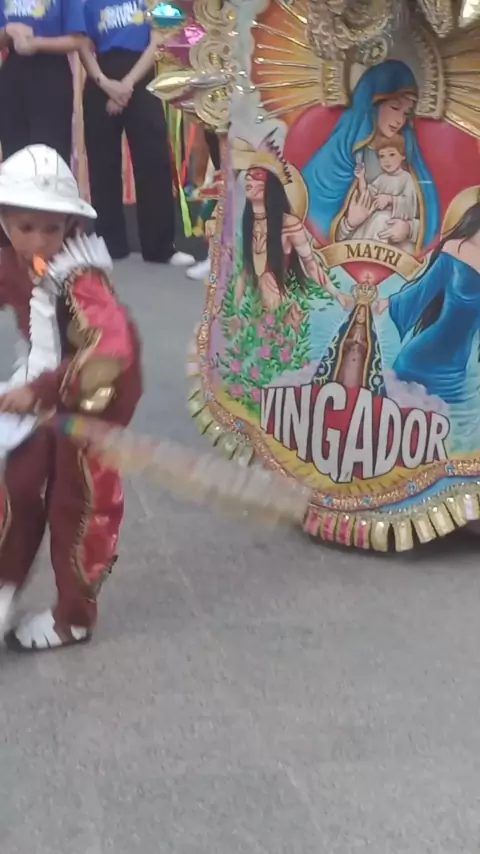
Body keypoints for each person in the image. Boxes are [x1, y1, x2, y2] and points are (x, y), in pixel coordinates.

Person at [0, 144, 142, 652]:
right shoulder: (13, 260)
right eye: (25, 227)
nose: (38, 240)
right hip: (44, 396)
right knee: (18, 486)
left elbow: (112, 352)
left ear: (69, 226)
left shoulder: (82, 279)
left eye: (51, 228)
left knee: (78, 507)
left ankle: (73, 618)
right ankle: (3, 587)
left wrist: (37, 392)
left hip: (94, 404)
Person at [80, 0, 194, 266]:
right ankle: (110, 244)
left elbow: (156, 42)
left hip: (141, 75)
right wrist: (106, 85)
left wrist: (127, 85)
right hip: (101, 76)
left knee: (153, 161)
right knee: (103, 165)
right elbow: (83, 46)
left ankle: (160, 248)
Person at [301, 60, 439, 251]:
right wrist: (349, 223)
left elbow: (426, 216)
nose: (400, 120)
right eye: (394, 107)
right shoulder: (335, 160)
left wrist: (409, 229)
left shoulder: (408, 157)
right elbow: (311, 222)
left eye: (407, 113)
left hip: (397, 256)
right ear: (372, 104)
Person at [0, 0, 86, 164]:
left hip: (52, 74)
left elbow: (77, 40)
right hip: (13, 75)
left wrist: (36, 43)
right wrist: (8, 30)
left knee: (50, 155)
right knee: (14, 156)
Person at [340, 134, 417, 253]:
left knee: (381, 219)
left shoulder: (406, 178)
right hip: (374, 218)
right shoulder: (381, 178)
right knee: (370, 222)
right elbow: (367, 195)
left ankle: (375, 252)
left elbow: (410, 203)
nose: (387, 160)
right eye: (382, 156)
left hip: (391, 221)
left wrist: (390, 199)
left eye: (392, 154)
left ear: (403, 156)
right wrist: (361, 178)